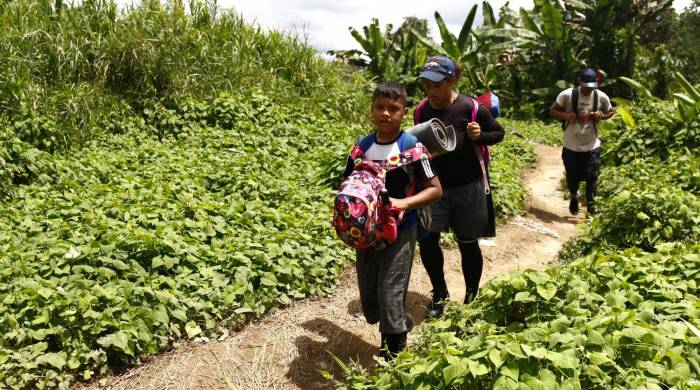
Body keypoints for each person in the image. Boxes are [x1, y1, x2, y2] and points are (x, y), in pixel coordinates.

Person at [341, 81, 442, 359]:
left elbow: (435, 190)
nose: (386, 113)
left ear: (404, 112)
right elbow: (347, 184)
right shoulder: (362, 147)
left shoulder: (411, 147)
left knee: (390, 294)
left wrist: (402, 204)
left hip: (401, 230)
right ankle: (400, 323)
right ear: (372, 110)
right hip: (367, 235)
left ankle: (392, 359)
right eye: (380, 107)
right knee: (370, 300)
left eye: (393, 109)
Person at [414, 57, 505, 317]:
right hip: (434, 186)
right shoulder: (421, 111)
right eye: (427, 86)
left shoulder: (472, 108)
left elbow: (498, 133)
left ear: (451, 81)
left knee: (467, 243)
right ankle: (440, 293)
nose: (431, 91)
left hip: (468, 186)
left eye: (437, 85)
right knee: (428, 239)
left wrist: (480, 135)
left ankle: (471, 298)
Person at [549, 67, 614, 216]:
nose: (588, 90)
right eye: (586, 87)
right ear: (580, 81)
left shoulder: (601, 97)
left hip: (592, 145)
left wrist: (601, 116)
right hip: (571, 145)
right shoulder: (567, 95)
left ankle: (591, 211)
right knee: (572, 178)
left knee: (592, 177)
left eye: (591, 87)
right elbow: (552, 111)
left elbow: (610, 112)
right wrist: (566, 116)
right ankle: (574, 196)